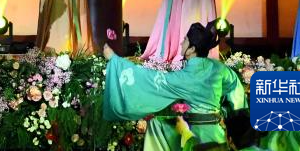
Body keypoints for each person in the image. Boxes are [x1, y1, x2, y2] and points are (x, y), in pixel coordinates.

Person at [103, 21, 246, 151]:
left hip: (196, 136)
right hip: (218, 133)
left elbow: (148, 77)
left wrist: (114, 60)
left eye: (185, 40)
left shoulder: (184, 77)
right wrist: (229, 112)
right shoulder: (219, 68)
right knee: (157, 124)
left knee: (157, 126)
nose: (181, 43)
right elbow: (235, 86)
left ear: (191, 49)